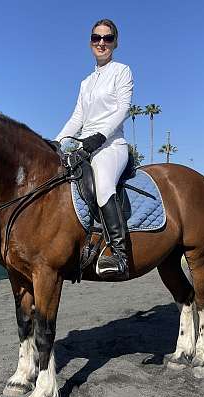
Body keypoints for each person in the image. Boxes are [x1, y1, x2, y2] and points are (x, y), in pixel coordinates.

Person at [55, 18, 133, 280]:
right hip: (84, 145)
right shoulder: (86, 82)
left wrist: (99, 137)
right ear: (90, 41)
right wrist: (56, 141)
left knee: (103, 186)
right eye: (96, 38)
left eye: (107, 38)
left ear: (115, 42)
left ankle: (119, 254)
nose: (101, 42)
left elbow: (122, 109)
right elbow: (77, 118)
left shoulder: (122, 71)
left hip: (111, 145)